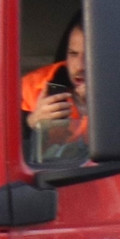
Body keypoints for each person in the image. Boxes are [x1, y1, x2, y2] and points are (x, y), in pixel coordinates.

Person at [19, 17, 88, 160]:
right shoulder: (30, 86)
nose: (79, 66)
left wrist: (94, 110)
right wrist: (33, 122)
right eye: (73, 54)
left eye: (89, 56)